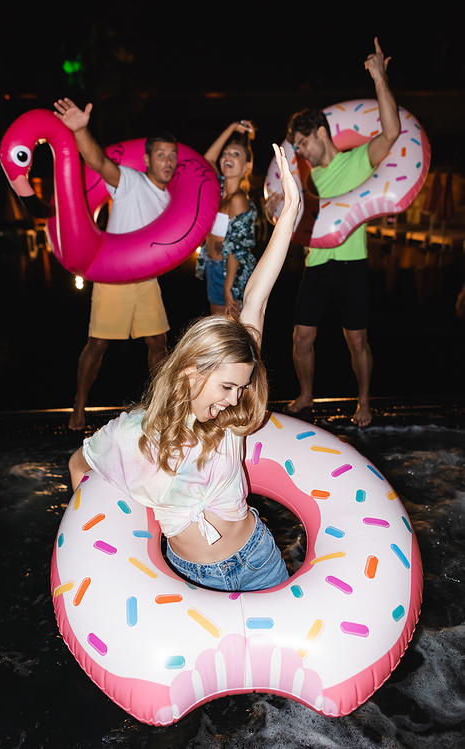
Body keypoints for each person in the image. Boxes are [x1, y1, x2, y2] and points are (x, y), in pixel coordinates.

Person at [68, 144, 301, 592]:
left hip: (257, 560)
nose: (237, 399)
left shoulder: (230, 421)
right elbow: (79, 464)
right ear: (195, 371)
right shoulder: (132, 433)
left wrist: (288, 213)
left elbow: (257, 297)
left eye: (241, 387)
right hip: (187, 575)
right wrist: (86, 536)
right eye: (229, 386)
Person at [268, 38, 400, 427]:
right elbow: (281, 210)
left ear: (322, 133)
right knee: (301, 338)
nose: (303, 152)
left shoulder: (358, 160)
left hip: (351, 263)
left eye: (305, 143)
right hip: (317, 265)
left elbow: (391, 133)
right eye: (299, 146)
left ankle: (363, 401)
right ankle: (306, 395)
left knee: (356, 340)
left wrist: (378, 77)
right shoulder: (307, 179)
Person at [53, 97, 177, 431]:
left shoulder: (170, 199)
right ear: (148, 158)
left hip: (146, 278)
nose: (168, 160)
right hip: (113, 276)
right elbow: (98, 160)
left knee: (158, 343)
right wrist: (81, 130)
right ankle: (78, 405)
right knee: (97, 344)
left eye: (172, 155)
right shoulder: (130, 181)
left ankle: (163, 405)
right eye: (161, 154)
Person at [195, 121, 257, 317]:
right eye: (226, 153)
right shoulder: (218, 191)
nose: (227, 156)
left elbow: (237, 247)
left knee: (232, 337)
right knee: (220, 332)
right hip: (213, 269)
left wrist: (229, 285)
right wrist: (231, 128)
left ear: (247, 167)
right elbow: (206, 161)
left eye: (235, 154)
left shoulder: (238, 199)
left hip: (230, 273)